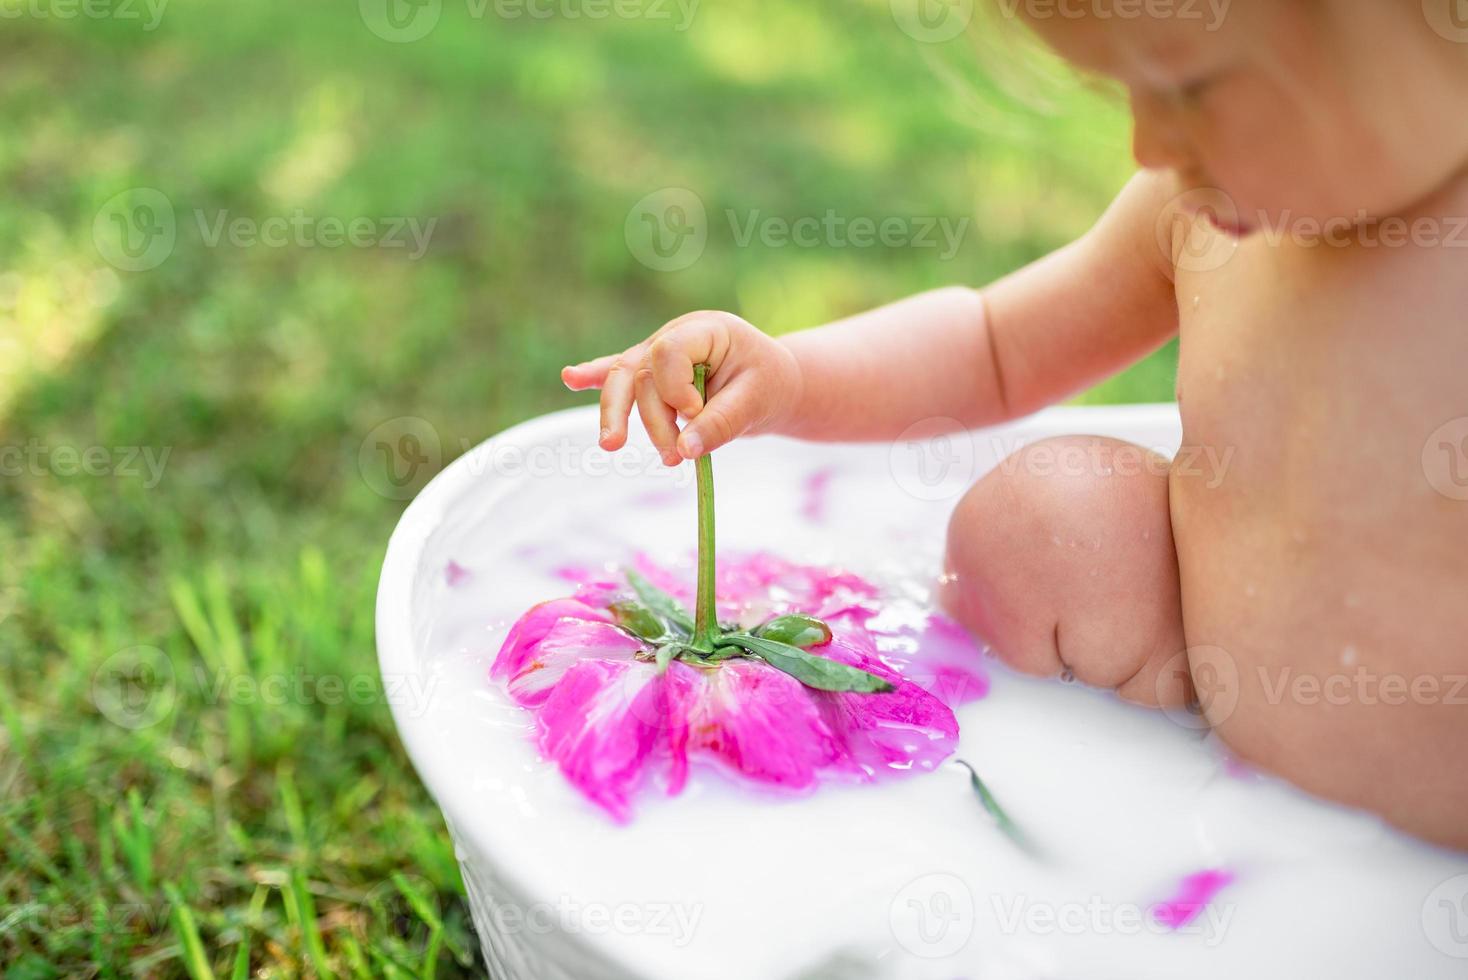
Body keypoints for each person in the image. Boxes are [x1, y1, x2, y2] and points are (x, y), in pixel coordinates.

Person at [562, 1, 1468, 850]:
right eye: (1126, 95)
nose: (1150, 145)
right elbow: (995, 345)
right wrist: (791, 377)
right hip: (1226, 744)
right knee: (1053, 517)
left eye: (1190, 88)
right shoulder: (1202, 209)